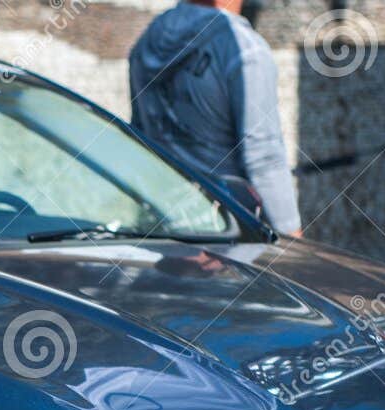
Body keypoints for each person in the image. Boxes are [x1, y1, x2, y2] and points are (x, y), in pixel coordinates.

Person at [129, 0, 302, 236]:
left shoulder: (148, 39)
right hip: (225, 234)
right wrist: (291, 237)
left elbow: (139, 140)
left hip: (160, 225)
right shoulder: (244, 48)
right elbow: (264, 158)